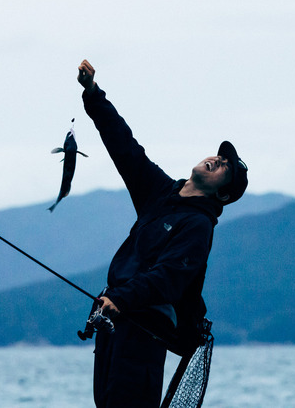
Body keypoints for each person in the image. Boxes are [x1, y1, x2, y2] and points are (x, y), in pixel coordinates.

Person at [77, 59, 248, 407]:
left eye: (225, 168)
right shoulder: (161, 193)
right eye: (219, 156)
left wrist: (122, 299)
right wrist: (93, 95)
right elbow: (125, 148)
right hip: (114, 320)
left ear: (222, 194)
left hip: (145, 330)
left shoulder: (199, 226)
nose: (217, 160)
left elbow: (167, 279)